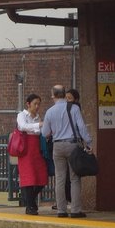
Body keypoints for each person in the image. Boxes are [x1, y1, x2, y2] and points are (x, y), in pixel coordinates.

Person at [41, 84, 91, 217]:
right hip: (72, 145)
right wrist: (88, 142)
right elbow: (81, 127)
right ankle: (75, 210)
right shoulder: (74, 108)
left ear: (53, 96)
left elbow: (45, 132)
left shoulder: (49, 111)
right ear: (63, 94)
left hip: (57, 146)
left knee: (60, 179)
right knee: (74, 178)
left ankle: (61, 210)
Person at [16, 93, 48, 215]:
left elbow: (40, 132)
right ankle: (30, 206)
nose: (37, 106)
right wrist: (38, 125)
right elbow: (23, 126)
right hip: (26, 149)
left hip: (36, 148)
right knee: (29, 177)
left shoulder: (37, 116)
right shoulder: (21, 115)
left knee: (42, 177)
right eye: (35, 104)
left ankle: (30, 201)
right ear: (28, 104)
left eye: (39, 104)